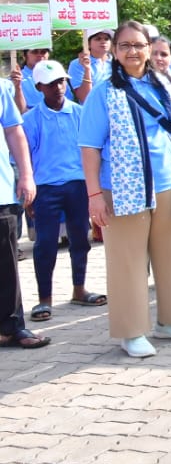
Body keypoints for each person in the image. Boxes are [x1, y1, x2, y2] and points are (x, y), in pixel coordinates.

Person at [78, 20, 171, 358]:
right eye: (125, 45)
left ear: (149, 48)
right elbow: (89, 146)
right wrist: (94, 195)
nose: (132, 51)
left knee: (170, 255)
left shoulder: (168, 85)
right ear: (115, 52)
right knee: (127, 261)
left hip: (168, 182)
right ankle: (131, 331)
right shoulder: (104, 92)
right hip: (122, 188)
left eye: (138, 45)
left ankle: (170, 321)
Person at [24, 60, 104, 322]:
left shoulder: (80, 113)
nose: (58, 87)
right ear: (39, 87)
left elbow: (92, 150)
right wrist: (27, 195)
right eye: (51, 84)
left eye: (61, 81)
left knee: (80, 239)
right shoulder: (30, 120)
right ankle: (44, 299)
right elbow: (24, 158)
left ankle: (79, 289)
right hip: (45, 188)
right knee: (45, 244)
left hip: (78, 185)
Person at [0, 80, 47, 349]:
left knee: (6, 264)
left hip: (1, 191)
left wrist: (27, 175)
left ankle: (11, 327)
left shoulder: (1, 88)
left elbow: (14, 131)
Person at [70, 27, 113, 104]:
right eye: (98, 39)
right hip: (92, 109)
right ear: (88, 44)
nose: (103, 41)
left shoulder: (118, 63)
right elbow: (85, 98)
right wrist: (87, 69)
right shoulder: (77, 64)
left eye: (106, 39)